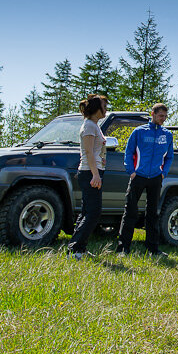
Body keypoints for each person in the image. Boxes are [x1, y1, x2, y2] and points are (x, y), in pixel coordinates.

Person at [116, 103, 173, 256]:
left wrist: (163, 173)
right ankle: (123, 248)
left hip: (156, 178)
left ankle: (153, 249)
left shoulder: (167, 135)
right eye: (161, 116)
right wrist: (131, 171)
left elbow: (169, 157)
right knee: (130, 212)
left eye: (165, 116)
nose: (163, 119)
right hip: (138, 176)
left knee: (153, 213)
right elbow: (128, 152)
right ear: (153, 113)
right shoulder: (139, 132)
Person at [68, 94, 108, 259]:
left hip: (93, 171)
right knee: (93, 212)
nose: (105, 109)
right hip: (89, 172)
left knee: (86, 212)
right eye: (104, 106)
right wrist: (95, 175)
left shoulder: (94, 126)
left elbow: (95, 151)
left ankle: (79, 249)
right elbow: (88, 152)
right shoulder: (89, 126)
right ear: (96, 109)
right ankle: (75, 249)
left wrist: (102, 158)